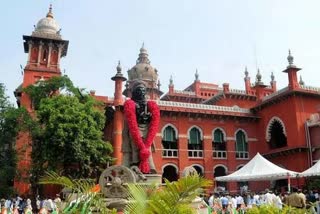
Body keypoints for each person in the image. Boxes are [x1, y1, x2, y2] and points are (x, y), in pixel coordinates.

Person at [122, 80, 160, 174]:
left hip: (146, 128)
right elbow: (131, 121)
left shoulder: (149, 104)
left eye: (143, 90)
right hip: (135, 128)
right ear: (134, 92)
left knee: (147, 148)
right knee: (135, 147)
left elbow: (154, 120)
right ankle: (135, 165)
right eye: (139, 90)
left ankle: (149, 167)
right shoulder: (131, 104)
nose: (141, 92)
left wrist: (149, 117)